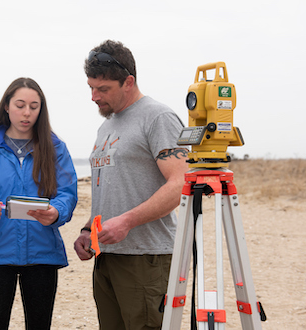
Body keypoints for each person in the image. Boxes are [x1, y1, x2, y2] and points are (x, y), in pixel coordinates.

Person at [73, 40, 189, 330]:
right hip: (107, 256)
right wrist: (88, 229)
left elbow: (180, 183)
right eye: (91, 87)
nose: (94, 96)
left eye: (103, 89)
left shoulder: (157, 117)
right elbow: (114, 187)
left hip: (146, 258)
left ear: (128, 82)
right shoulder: (107, 125)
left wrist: (127, 221)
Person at [0, 77, 78, 330]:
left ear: (41, 109)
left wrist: (57, 211)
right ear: (6, 106)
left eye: (34, 106)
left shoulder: (56, 148)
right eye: (20, 105)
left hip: (43, 254)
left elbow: (68, 194)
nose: (27, 113)